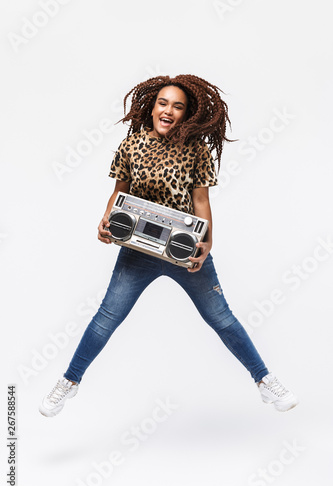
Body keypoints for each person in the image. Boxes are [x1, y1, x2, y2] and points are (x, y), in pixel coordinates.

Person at [39, 74, 298, 417]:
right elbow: (120, 193)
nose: (168, 111)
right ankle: (68, 383)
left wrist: (206, 242)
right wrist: (105, 222)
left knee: (221, 318)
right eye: (163, 103)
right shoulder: (131, 146)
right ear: (152, 107)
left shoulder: (196, 150)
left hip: (183, 250)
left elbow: (202, 201)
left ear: (186, 114)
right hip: (137, 252)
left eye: (178, 106)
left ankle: (265, 382)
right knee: (106, 318)